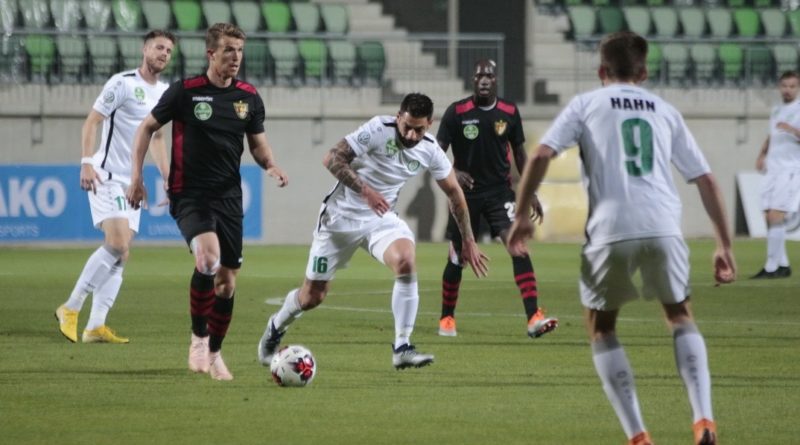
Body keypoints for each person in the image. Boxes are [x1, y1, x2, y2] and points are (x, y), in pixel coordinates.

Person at [507, 32, 736, 445]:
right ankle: (704, 420)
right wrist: (725, 245)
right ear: (644, 72)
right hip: (664, 224)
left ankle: (638, 435)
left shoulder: (587, 103)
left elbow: (540, 154)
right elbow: (705, 178)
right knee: (680, 316)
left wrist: (522, 215)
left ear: (601, 71)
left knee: (602, 328)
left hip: (610, 230)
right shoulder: (665, 110)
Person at [257, 93, 489, 370]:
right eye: (408, 127)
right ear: (398, 117)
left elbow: (455, 194)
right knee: (312, 297)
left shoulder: (429, 149)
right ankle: (275, 327)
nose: (413, 135)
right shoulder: (379, 129)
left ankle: (402, 346)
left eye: (420, 129)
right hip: (340, 219)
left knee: (405, 260)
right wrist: (365, 191)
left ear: (430, 124)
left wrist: (469, 241)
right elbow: (331, 158)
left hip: (381, 219)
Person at [126, 23, 288, 381]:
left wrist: (271, 164)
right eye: (229, 50)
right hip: (189, 194)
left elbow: (258, 145)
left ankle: (215, 352)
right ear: (210, 53)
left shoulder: (248, 97)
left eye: (240, 51)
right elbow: (145, 129)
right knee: (208, 258)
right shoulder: (185, 92)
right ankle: (198, 338)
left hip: (229, 197)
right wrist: (137, 177)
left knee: (228, 284)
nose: (236, 58)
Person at [55, 30, 176, 344]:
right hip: (106, 174)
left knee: (122, 255)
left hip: (133, 182)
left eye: (169, 50)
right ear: (145, 49)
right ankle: (70, 307)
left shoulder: (164, 92)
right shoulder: (122, 82)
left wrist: (166, 176)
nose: (165, 54)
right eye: (159, 47)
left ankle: (96, 326)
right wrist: (85, 161)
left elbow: (158, 138)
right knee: (118, 244)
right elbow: (92, 122)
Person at [435, 59, 557, 338]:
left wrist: (531, 192)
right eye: (479, 76)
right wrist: (454, 171)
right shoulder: (456, 112)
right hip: (464, 196)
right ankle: (446, 318)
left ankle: (533, 317)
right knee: (458, 257)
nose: (484, 80)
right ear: (473, 80)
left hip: (500, 193)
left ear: (496, 79)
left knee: (518, 246)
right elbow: (435, 151)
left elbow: (521, 155)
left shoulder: (509, 112)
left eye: (489, 75)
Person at [751, 70, 800, 279]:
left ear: (798, 88)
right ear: (779, 87)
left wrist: (793, 130)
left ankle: (771, 268)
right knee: (767, 216)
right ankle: (783, 265)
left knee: (775, 215)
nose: (788, 90)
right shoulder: (776, 110)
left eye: (792, 86)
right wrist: (762, 154)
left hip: (790, 169)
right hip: (773, 168)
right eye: (784, 86)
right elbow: (772, 135)